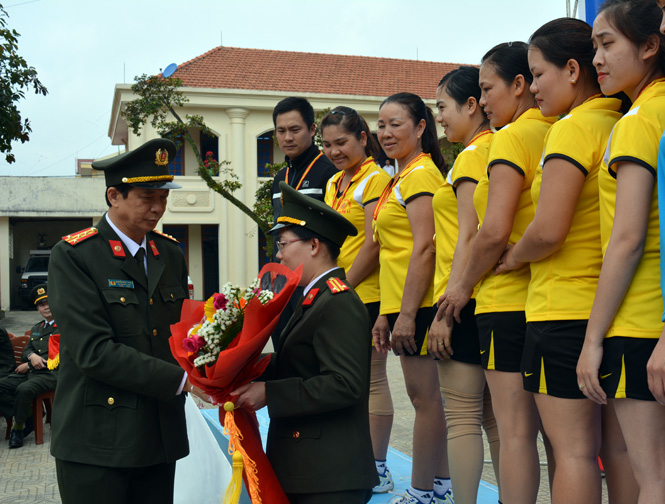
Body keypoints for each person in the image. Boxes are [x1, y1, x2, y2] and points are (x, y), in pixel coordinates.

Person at [492, 18, 624, 504]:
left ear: (573, 70)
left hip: (561, 307)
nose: (533, 89)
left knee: (573, 452)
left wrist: (510, 258)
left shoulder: (571, 129)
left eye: (538, 74)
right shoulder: (620, 120)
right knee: (619, 452)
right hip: (610, 307)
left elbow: (547, 230)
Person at [47, 138, 206, 504]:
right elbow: (93, 351)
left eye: (163, 197)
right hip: (99, 440)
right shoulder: (75, 256)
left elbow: (178, 334)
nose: (158, 208)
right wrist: (181, 379)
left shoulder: (169, 253)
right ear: (114, 196)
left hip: (158, 434)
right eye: (147, 197)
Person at [441, 42, 556, 504]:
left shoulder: (508, 140)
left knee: (514, 433)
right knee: (560, 440)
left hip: (504, 300)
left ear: (520, 84)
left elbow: (488, 232)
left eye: (488, 89)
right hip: (541, 298)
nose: (484, 102)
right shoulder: (558, 130)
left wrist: (459, 293)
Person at [233, 181, 378, 504]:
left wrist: (270, 392)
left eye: (284, 244)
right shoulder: (315, 296)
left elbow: (345, 383)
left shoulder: (337, 301)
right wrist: (243, 370)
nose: (279, 254)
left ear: (314, 245)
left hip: (329, 474)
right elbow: (300, 362)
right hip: (311, 467)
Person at [576, 1, 665, 502]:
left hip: (638, 326)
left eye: (608, 43)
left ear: (651, 46)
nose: (597, 59)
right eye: (593, 47)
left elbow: (627, 240)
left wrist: (593, 340)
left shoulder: (635, 123)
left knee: (654, 479)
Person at [372, 92, 451, 504]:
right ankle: (439, 486)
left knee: (426, 400)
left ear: (421, 127)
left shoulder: (420, 175)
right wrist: (388, 314)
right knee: (426, 399)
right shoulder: (401, 176)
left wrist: (405, 315)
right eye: (381, 124)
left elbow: (425, 248)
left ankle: (423, 491)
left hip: (419, 304)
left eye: (395, 123)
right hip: (404, 304)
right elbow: (395, 253)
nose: (385, 132)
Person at [428, 66, 500, 504]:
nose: (439, 117)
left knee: (462, 418)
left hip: (462, 300)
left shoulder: (473, 156)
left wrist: (445, 312)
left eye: (442, 107)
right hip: (486, 296)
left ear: (471, 105)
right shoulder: (500, 145)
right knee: (496, 423)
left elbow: (468, 236)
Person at [320, 106, 394, 493]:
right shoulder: (334, 182)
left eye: (342, 142)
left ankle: (379, 465)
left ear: (363, 139)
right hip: (340, 291)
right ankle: (356, 456)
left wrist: (342, 285)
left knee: (373, 380)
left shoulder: (377, 179)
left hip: (365, 294)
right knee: (346, 379)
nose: (334, 151)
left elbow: (373, 244)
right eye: (328, 144)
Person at [270, 97, 338, 346]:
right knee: (283, 352)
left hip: (314, 284)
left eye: (295, 129)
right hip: (282, 283)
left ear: (311, 130)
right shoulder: (279, 179)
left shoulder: (330, 171)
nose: (287, 137)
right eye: (281, 130)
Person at [0, 284, 58, 449]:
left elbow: (59, 354)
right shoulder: (37, 328)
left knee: (24, 389)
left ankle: (17, 429)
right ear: (38, 309)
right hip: (33, 373)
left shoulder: (64, 325)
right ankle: (30, 416)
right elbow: (28, 350)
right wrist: (31, 357)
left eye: (48, 302)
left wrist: (29, 365)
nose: (46, 307)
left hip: (51, 374)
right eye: (41, 304)